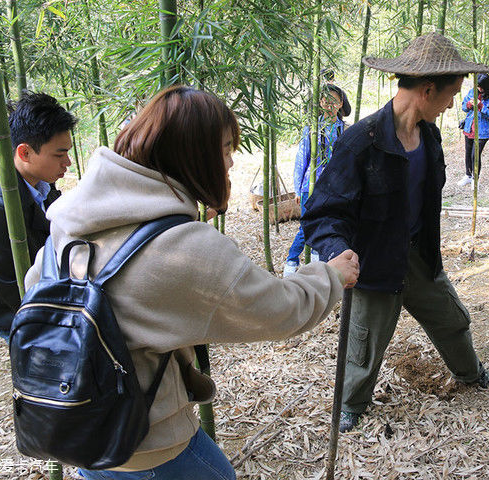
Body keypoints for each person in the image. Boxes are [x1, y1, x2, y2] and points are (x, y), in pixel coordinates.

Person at [24, 85, 359, 479]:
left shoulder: (69, 217)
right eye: (224, 148)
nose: (231, 162)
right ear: (194, 154)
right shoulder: (184, 249)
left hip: (77, 424)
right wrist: (329, 276)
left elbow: (35, 286)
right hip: (143, 442)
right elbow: (280, 308)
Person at [302, 33, 489, 433]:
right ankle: (350, 406)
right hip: (374, 262)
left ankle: (471, 373)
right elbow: (324, 212)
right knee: (363, 344)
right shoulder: (361, 142)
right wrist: (337, 251)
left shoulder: (428, 135)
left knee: (453, 319)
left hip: (418, 255)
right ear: (427, 90)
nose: (453, 104)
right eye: (451, 94)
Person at [0, 91, 76, 342]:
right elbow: (9, 289)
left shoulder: (42, 181)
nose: (68, 162)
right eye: (59, 155)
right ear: (24, 153)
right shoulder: (0, 208)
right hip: (25, 317)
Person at [284, 84, 351, 276]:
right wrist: (298, 189)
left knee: (328, 226)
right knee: (307, 226)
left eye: (333, 100)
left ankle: (318, 267)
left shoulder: (346, 130)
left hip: (336, 187)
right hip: (310, 186)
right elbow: (301, 159)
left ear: (340, 104)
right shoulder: (312, 129)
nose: (328, 104)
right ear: (320, 103)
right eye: (324, 100)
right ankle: (291, 261)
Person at [457, 73, 489, 188]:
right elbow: (464, 107)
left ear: (487, 86)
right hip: (469, 127)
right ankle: (468, 176)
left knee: (475, 155)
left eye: (480, 87)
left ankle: (475, 179)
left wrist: (481, 107)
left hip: (482, 131)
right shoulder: (472, 92)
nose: (478, 89)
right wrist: (469, 105)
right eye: (477, 86)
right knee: (467, 153)